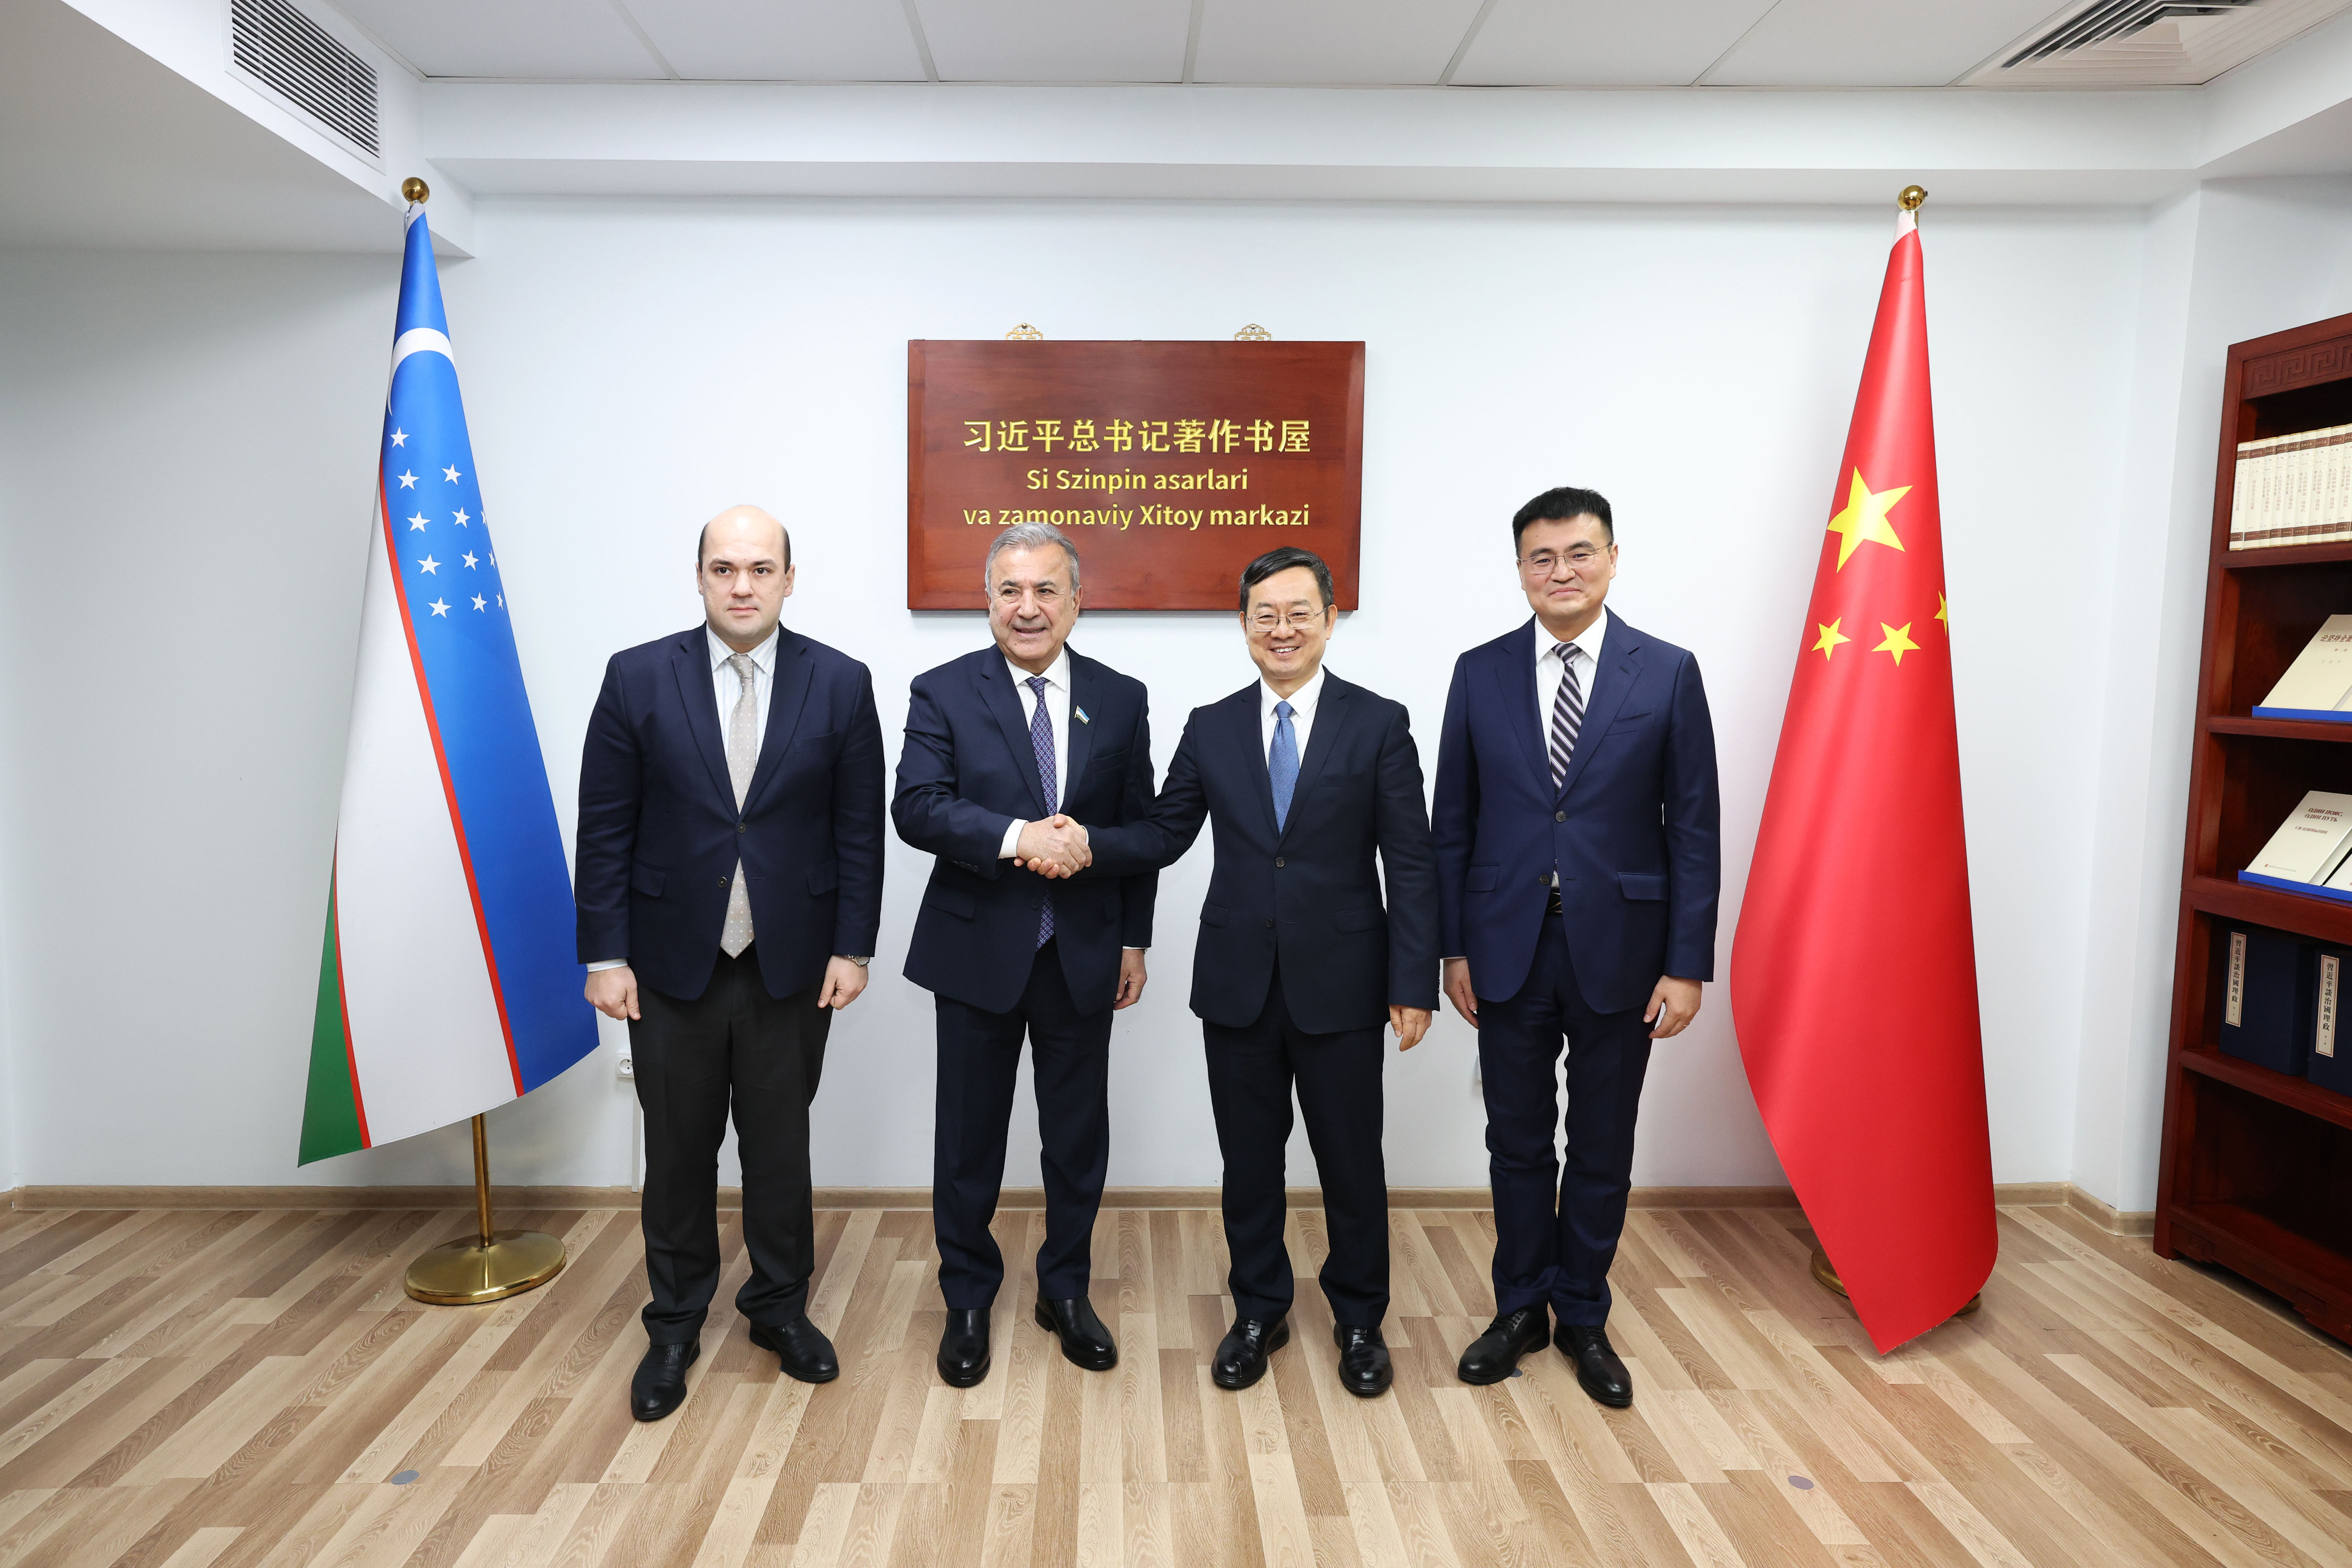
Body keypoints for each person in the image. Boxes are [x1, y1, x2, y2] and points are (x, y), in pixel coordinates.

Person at [1079, 547, 1436, 1398]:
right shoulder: (1211, 726)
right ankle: (1258, 1311)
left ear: (1330, 620)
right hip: (1238, 982)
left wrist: (1412, 981)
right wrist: (1083, 840)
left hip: (1346, 983)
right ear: (1243, 624)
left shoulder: (1378, 723)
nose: (1282, 628)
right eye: (1264, 614)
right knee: (1248, 1163)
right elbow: (1164, 832)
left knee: (1351, 1162)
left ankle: (1360, 1319)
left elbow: (1412, 862)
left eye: (1299, 612)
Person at [575, 505, 885, 1422]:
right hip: (670, 964)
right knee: (677, 1152)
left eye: (760, 568)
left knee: (781, 1149)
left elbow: (858, 829)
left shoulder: (841, 681)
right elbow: (605, 827)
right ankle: (674, 1324)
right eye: (724, 568)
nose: (742, 585)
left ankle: (778, 1308)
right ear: (701, 576)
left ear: (790, 578)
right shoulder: (637, 676)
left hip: (794, 963)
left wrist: (854, 944)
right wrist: (605, 953)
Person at [1433, 486, 1719, 1406]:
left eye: (1579, 553)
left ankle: (1584, 1313)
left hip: (1625, 949)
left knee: (1602, 1142)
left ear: (1613, 558)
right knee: (1516, 1142)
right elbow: (1453, 823)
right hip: (1504, 946)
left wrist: (1687, 963)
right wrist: (1452, 948)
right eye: (1542, 557)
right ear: (1521, 569)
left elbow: (1694, 829)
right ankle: (1520, 1305)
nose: (1561, 571)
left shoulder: (1666, 671)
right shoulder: (1479, 672)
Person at [892, 522, 1158, 1388]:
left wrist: (1134, 936)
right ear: (988, 600)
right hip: (976, 952)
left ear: (1077, 601)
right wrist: (1019, 836)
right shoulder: (943, 691)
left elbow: (1140, 828)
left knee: (1076, 1138)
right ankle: (968, 1297)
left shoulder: (1120, 697)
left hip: (1084, 952)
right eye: (1010, 590)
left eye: (1046, 589)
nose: (1028, 606)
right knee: (968, 1139)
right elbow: (917, 806)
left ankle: (1065, 1291)